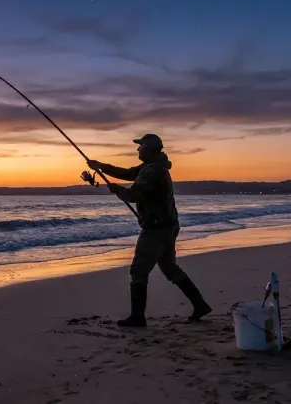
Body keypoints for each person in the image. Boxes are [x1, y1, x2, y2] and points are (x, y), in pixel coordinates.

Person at [87, 133, 212, 327]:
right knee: (170, 268)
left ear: (149, 149)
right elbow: (128, 174)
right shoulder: (153, 166)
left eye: (141, 146)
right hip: (168, 225)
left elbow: (133, 195)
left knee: (138, 271)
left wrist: (117, 190)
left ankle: (137, 317)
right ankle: (200, 304)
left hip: (156, 229)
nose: (137, 149)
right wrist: (101, 166)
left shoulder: (153, 170)